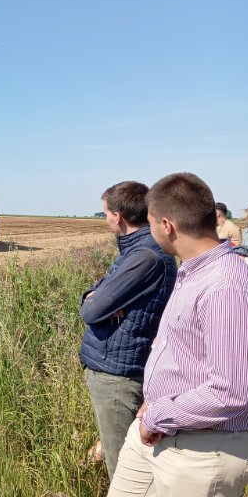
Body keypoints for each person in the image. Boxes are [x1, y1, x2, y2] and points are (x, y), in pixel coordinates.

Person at [103, 172, 248, 497]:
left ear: (166, 225)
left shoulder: (227, 286)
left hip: (204, 446)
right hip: (160, 425)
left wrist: (160, 414)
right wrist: (154, 404)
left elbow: (233, 390)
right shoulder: (193, 271)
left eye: (151, 222)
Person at [79, 181, 177, 480]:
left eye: (106, 212)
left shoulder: (143, 257)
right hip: (116, 364)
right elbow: (95, 294)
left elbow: (91, 310)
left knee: (125, 471)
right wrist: (98, 297)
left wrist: (99, 302)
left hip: (119, 374)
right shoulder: (136, 251)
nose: (105, 218)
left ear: (118, 216)